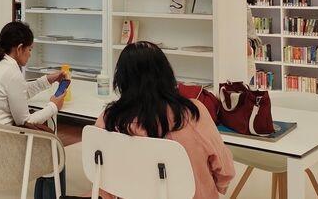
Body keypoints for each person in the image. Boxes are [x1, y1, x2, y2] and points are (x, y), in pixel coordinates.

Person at [92, 42, 235, 199]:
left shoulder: (109, 119)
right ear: (167, 73)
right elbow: (225, 170)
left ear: (121, 79)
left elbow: (102, 175)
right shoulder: (193, 113)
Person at [0, 21, 66, 199]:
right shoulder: (11, 72)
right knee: (56, 151)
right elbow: (25, 121)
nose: (30, 54)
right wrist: (53, 106)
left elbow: (19, 92)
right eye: (30, 49)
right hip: (2, 145)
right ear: (20, 48)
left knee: (49, 147)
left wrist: (47, 80)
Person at [239, 0, 263, 83]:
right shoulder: (242, 3)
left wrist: (246, 44)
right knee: (246, 74)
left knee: (246, 74)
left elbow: (242, 26)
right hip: (249, 41)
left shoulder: (242, 4)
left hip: (247, 42)